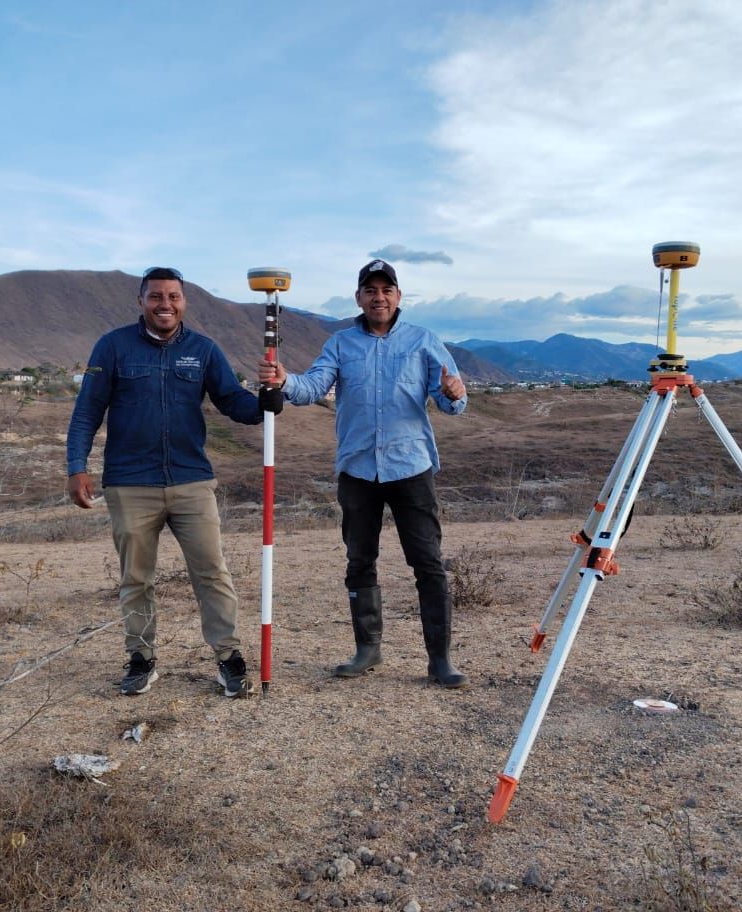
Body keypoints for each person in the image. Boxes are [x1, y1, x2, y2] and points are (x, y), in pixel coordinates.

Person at [257, 259, 470, 688]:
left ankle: (439, 660)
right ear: (358, 298)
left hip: (411, 468)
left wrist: (454, 393)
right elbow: (314, 386)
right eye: (370, 290)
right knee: (359, 561)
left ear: (398, 297)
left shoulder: (423, 341)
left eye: (386, 290)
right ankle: (367, 649)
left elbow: (450, 401)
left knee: (427, 563)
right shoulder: (340, 344)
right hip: (357, 469)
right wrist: (285, 380)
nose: (379, 297)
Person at [68, 266, 276, 697]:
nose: (165, 304)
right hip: (129, 483)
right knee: (136, 578)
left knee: (212, 573)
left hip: (191, 481)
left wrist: (269, 398)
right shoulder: (112, 347)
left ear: (184, 301)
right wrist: (77, 466)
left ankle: (228, 659)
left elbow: (234, 403)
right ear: (141, 300)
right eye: (156, 297)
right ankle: (141, 659)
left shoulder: (203, 349)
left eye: (173, 297)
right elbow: (87, 410)